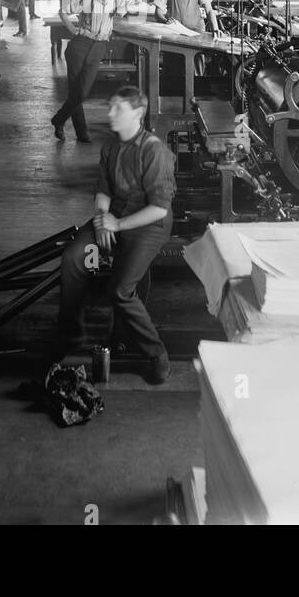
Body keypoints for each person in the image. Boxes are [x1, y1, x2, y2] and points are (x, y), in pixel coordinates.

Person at [54, 86, 175, 385]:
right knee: (74, 257)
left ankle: (156, 355)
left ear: (137, 113)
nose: (110, 114)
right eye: (111, 107)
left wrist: (117, 226)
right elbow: (103, 189)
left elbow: (159, 208)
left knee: (120, 290)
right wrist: (100, 222)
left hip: (147, 226)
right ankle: (71, 333)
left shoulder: (153, 150)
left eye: (117, 109)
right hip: (112, 218)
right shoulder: (110, 146)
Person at [52, 0, 114, 143]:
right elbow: (62, 11)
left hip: (99, 48)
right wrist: (73, 29)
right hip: (80, 46)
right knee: (76, 91)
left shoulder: (115, 3)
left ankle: (59, 119)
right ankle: (81, 133)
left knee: (82, 92)